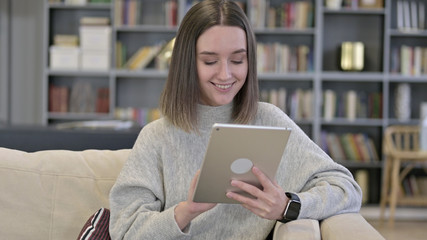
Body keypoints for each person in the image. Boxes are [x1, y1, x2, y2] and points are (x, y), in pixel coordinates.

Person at [109, 0, 362, 239]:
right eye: (210, 61)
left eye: (238, 60)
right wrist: (186, 211)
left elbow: (346, 190)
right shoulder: (158, 136)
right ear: (186, 63)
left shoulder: (268, 120)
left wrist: (287, 206)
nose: (225, 74)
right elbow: (124, 230)